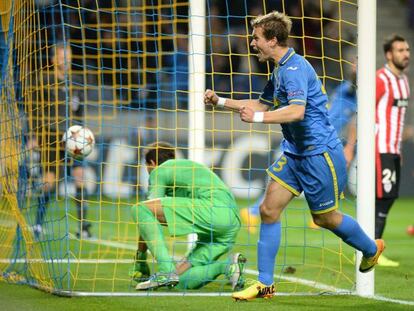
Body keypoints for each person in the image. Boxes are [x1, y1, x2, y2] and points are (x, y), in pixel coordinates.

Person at [204, 11, 384, 301]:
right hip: (295, 153)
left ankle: (371, 249)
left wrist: (258, 121)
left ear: (272, 40)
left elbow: (296, 111)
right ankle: (265, 284)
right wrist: (221, 101)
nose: (252, 43)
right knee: (268, 210)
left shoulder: (294, 69)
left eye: (256, 38)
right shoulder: (279, 69)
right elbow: (260, 105)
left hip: (318, 155)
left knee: (325, 218)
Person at [130, 142, 245, 290]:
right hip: (230, 224)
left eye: (147, 166)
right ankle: (227, 266)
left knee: (138, 209)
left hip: (212, 210)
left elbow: (147, 211)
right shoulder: (185, 169)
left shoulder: (160, 170)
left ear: (152, 163)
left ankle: (165, 270)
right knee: (180, 281)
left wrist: (140, 258)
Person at [345, 34, 410, 267]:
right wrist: (351, 147)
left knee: (388, 199)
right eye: (401, 50)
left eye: (408, 49)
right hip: (379, 148)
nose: (406, 54)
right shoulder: (381, 79)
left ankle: (370, 246)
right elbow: (362, 112)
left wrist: (398, 149)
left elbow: (396, 120)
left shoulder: (403, 80)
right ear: (389, 54)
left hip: (392, 150)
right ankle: (370, 249)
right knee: (383, 199)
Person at [32, 42, 92, 238]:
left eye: (68, 56)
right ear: (53, 59)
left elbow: (80, 112)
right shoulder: (44, 81)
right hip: (50, 137)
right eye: (61, 56)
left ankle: (83, 227)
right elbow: (35, 110)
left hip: (73, 140)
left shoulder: (76, 82)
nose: (65, 60)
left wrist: (83, 134)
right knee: (49, 182)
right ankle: (38, 224)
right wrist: (34, 136)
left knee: (80, 177)